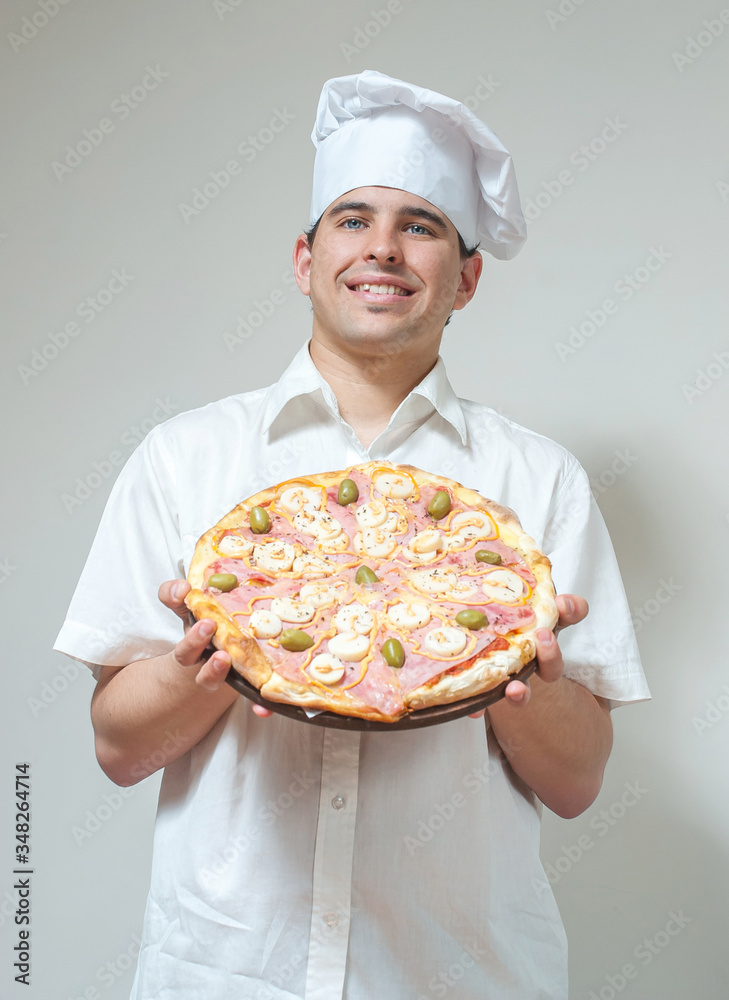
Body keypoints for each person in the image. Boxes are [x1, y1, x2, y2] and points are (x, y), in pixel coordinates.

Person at [54, 70, 650, 999]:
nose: (382, 249)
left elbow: (577, 785)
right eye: (352, 219)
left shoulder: (538, 481)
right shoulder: (184, 457)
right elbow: (119, 752)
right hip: (226, 971)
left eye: (420, 225)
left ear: (466, 277)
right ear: (303, 260)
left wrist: (506, 664)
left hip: (457, 974)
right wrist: (211, 653)